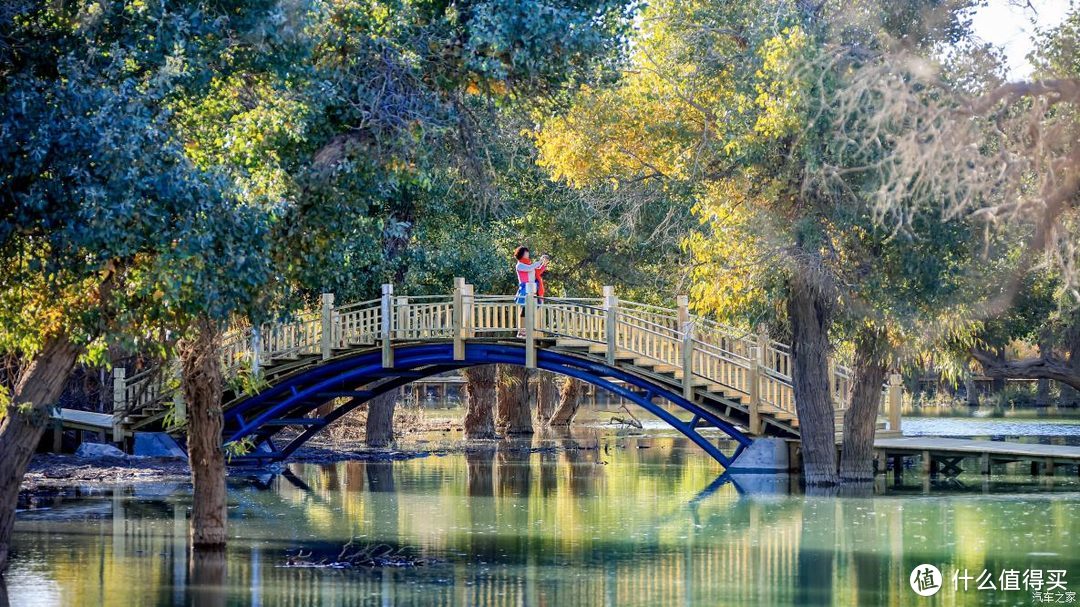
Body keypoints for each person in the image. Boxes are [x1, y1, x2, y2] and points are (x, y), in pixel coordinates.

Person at [513, 246, 548, 338]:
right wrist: (539, 261)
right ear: (521, 254)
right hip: (525, 289)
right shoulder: (519, 265)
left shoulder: (529, 264)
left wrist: (544, 263)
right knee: (524, 310)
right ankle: (521, 331)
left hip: (533, 289)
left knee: (531, 310)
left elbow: (537, 271)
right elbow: (530, 268)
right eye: (526, 253)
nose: (528, 254)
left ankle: (526, 330)